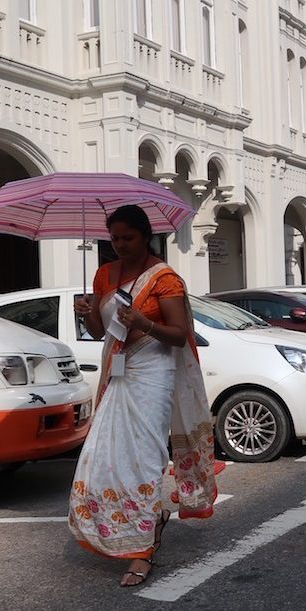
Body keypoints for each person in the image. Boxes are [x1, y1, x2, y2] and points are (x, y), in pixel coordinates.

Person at [68, 204, 216, 587]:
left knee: (146, 457)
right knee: (105, 456)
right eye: (114, 238)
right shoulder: (104, 274)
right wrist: (85, 312)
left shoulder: (165, 278)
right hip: (117, 371)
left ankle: (142, 549)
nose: (119, 245)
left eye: (127, 238)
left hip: (153, 373)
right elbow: (101, 332)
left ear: (145, 236)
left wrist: (144, 322)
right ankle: (125, 528)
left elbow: (178, 333)